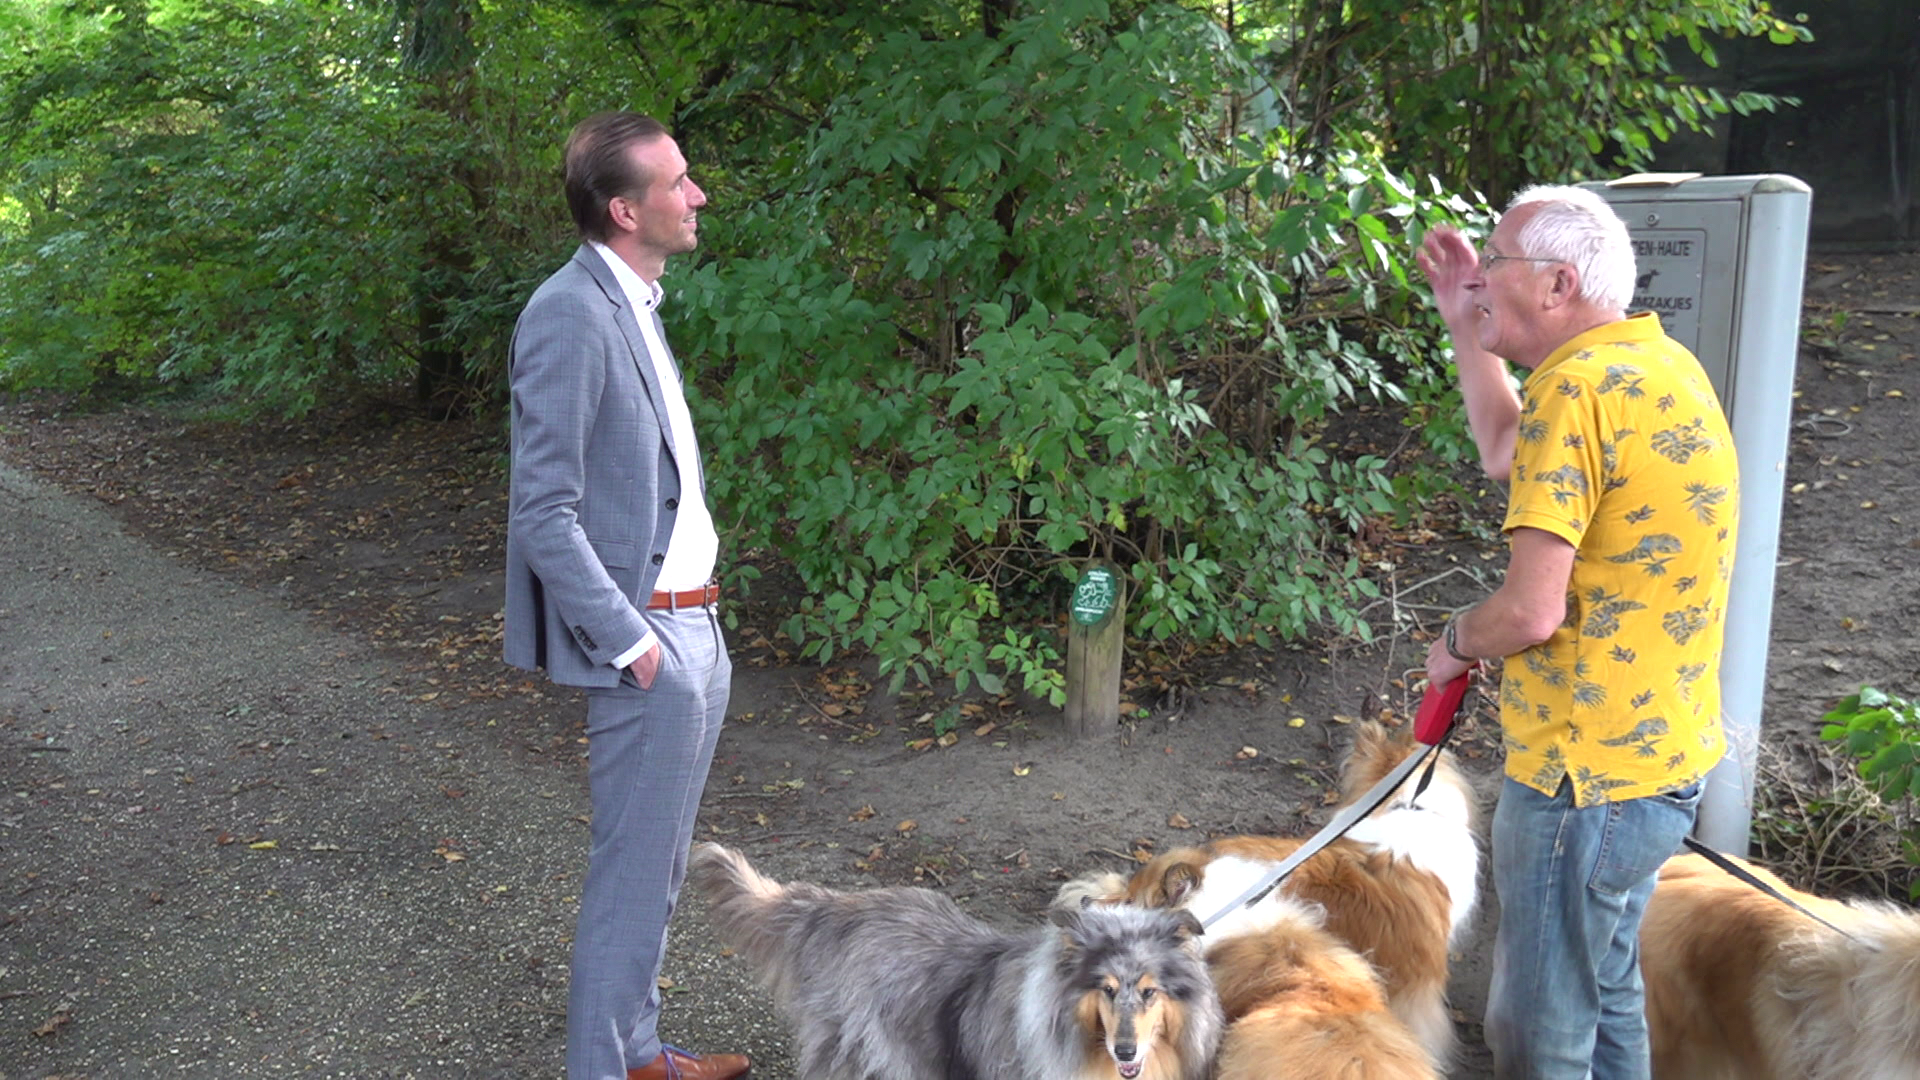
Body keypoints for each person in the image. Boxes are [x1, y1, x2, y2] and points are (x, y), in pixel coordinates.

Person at [1416, 185, 1738, 1080]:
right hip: (1658, 768)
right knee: (1607, 996)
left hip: (1579, 779)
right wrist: (1460, 315)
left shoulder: (1576, 394)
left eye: (1495, 265)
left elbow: (1527, 613)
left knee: (1538, 1031)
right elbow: (1500, 448)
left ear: (1557, 284)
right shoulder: (1653, 365)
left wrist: (1454, 641)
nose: (1480, 278)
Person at [504, 112, 748, 1080]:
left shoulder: (634, 302)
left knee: (657, 870)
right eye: (676, 182)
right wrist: (631, 642)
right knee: (629, 875)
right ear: (623, 207)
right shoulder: (567, 313)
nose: (695, 196)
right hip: (649, 639)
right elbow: (543, 511)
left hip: (697, 624)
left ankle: (640, 1053)